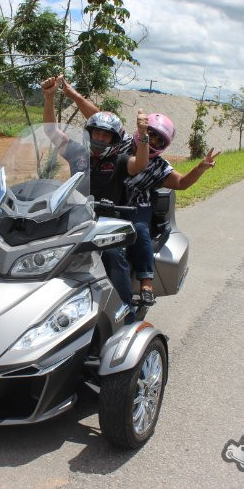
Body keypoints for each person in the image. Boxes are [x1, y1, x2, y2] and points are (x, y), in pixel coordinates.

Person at [60, 76, 220, 306]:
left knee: (139, 231)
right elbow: (96, 116)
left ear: (164, 145)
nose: (152, 140)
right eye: (150, 134)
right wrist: (72, 93)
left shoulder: (160, 166)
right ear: (142, 130)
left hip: (135, 206)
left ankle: (145, 282)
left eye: (158, 140)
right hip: (103, 200)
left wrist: (200, 168)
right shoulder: (122, 142)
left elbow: (182, 183)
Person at [41, 76, 150, 317]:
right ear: (89, 134)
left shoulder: (120, 161)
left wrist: (143, 135)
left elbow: (140, 164)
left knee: (112, 256)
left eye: (106, 136)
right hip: (76, 220)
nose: (100, 139)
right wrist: (49, 97)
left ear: (114, 139)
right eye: (96, 134)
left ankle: (126, 311)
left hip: (107, 225)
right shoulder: (77, 153)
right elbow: (51, 130)